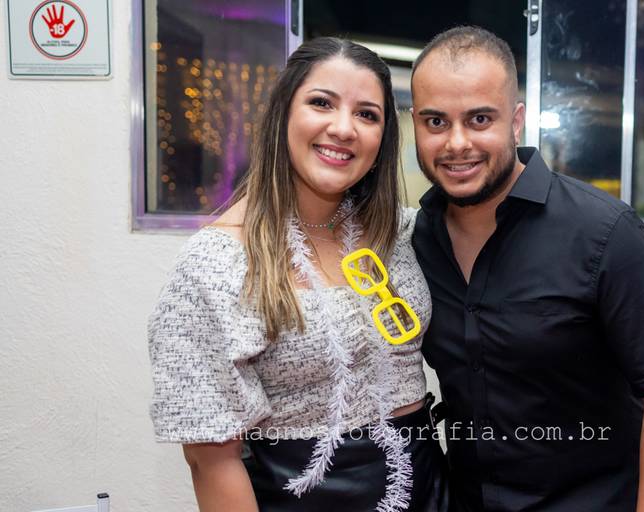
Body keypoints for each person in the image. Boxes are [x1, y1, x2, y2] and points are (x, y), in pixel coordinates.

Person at [148, 37, 447, 512]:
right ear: (283, 113)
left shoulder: (402, 233)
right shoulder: (216, 264)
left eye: (367, 114)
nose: (343, 128)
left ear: (382, 140)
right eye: (321, 103)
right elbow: (211, 463)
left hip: (429, 488)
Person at [410, 26, 644, 511]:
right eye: (436, 122)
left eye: (480, 119)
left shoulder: (605, 233)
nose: (456, 143)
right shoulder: (418, 239)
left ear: (516, 121)